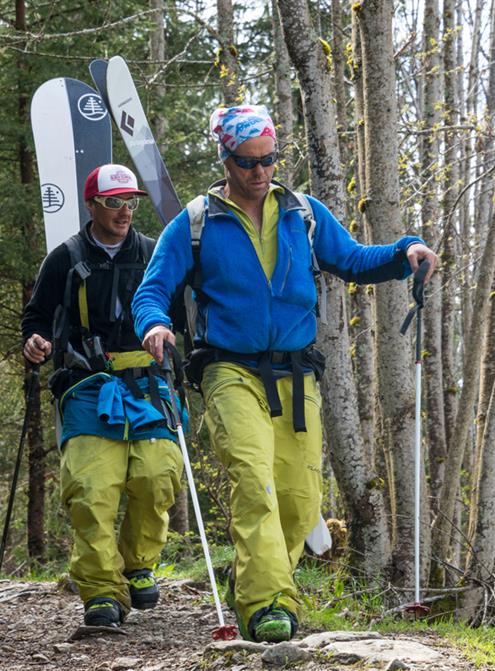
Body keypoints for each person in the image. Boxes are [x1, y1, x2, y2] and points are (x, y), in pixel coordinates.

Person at [131, 105, 438, 643]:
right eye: (248, 162)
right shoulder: (197, 222)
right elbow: (152, 289)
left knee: (301, 502)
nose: (260, 171)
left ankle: (254, 577)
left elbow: (355, 260)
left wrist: (404, 251)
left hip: (296, 378)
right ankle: (268, 603)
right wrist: (155, 324)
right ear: (226, 159)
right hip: (228, 370)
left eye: (269, 160)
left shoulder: (304, 213)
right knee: (255, 482)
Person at [21, 163, 186, 629]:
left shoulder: (155, 254)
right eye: (113, 202)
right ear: (92, 205)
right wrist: (35, 343)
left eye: (130, 202)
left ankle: (137, 566)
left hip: (149, 386)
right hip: (86, 385)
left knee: (157, 478)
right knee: (92, 489)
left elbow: (179, 314)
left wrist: (176, 346)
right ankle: (100, 593)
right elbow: (36, 317)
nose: (124, 212)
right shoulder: (65, 258)